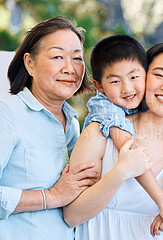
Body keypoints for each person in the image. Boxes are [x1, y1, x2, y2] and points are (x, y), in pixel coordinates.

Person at [63, 41, 163, 240]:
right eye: (159, 74)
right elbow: (71, 216)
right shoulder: (99, 133)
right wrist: (120, 173)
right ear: (143, 76)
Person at [0, 17, 101, 240]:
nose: (70, 68)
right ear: (30, 64)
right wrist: (51, 196)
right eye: (57, 57)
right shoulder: (8, 113)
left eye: (77, 58)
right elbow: (59, 195)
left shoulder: (75, 124)